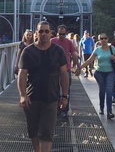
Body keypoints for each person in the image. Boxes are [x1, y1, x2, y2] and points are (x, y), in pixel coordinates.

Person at [18, 21, 69, 152]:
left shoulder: (58, 51)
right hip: (32, 98)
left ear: (51, 33)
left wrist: (64, 96)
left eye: (46, 31)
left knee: (47, 133)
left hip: (51, 98)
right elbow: (22, 74)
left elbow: (64, 74)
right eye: (41, 31)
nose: (44, 34)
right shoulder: (28, 51)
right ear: (36, 33)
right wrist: (23, 95)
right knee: (34, 131)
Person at [75, 33, 115, 119]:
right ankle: (102, 107)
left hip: (110, 72)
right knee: (102, 91)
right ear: (99, 40)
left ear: (108, 39)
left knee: (109, 90)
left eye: (105, 38)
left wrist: (114, 58)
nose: (103, 40)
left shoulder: (112, 48)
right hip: (99, 73)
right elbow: (89, 61)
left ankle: (109, 111)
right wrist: (80, 67)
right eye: (101, 38)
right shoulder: (97, 50)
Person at [51, 25, 79, 118]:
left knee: (66, 90)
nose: (61, 36)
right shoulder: (52, 41)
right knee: (55, 89)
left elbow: (74, 55)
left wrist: (73, 66)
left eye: (63, 34)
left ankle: (64, 109)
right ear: (57, 33)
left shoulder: (69, 42)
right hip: (54, 69)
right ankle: (58, 109)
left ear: (66, 34)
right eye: (60, 34)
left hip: (65, 69)